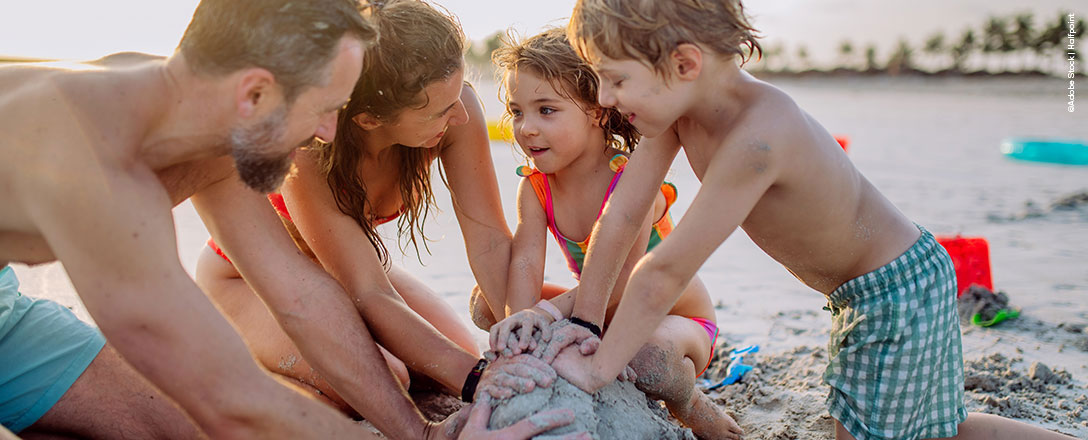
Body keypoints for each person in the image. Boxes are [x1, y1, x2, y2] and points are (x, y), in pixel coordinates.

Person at [0, 0, 567, 439]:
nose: (326, 133)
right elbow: (231, 397)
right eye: (324, 109)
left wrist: (420, 431)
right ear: (254, 92)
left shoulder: (210, 134)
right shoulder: (87, 153)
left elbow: (299, 295)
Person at [545, 1, 1080, 440]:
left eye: (614, 80)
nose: (605, 98)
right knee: (940, 429)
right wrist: (586, 322)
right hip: (875, 286)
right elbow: (621, 215)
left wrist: (597, 369)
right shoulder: (678, 112)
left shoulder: (759, 135)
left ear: (685, 63)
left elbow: (666, 270)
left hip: (893, 292)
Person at [195, 0, 539, 421]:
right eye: (439, 111)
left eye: (458, 94)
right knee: (389, 378)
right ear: (369, 120)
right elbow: (369, 292)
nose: (463, 115)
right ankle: (236, 370)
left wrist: (525, 343)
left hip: (345, 271)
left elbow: (488, 239)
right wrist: (477, 378)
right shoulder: (309, 147)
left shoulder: (454, 108)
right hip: (249, 279)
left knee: (454, 355)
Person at [481, 28, 741, 440]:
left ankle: (690, 403)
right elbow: (527, 260)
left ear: (598, 111)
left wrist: (547, 313)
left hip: (672, 318)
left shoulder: (632, 180)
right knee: (487, 305)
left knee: (648, 357)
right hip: (594, 312)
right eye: (517, 111)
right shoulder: (535, 187)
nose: (526, 128)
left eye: (546, 110)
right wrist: (521, 330)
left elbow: (625, 280)